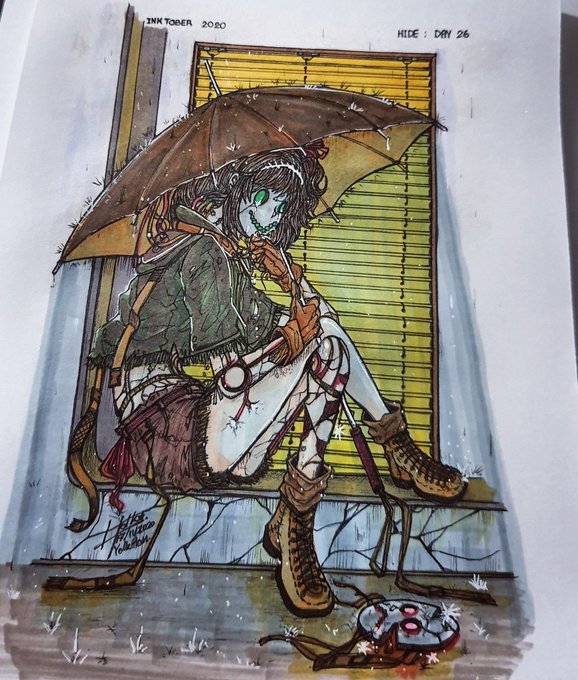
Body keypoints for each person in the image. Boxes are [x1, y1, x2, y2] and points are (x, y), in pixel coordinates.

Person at [89, 145, 466, 618]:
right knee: (321, 345)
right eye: (264, 198)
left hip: (207, 425)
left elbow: (307, 325)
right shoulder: (204, 252)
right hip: (164, 429)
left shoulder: (228, 256)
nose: (271, 216)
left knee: (326, 344)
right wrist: (291, 338)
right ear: (239, 193)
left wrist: (291, 283)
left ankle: (299, 515)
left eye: (283, 206)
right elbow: (232, 368)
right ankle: (380, 458)